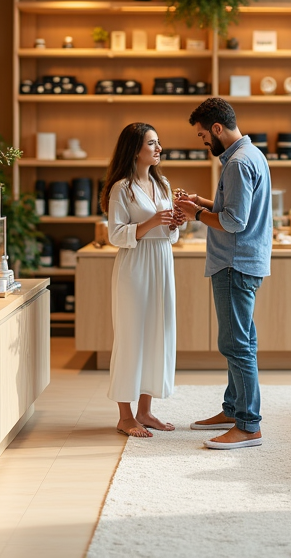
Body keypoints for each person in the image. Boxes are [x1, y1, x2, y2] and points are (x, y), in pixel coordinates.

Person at [176, 98, 272, 450]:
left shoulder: (237, 164)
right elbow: (233, 209)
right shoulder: (250, 155)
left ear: (217, 128)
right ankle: (233, 410)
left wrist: (196, 216)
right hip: (243, 262)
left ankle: (248, 425)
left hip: (235, 264)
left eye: (204, 136)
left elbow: (233, 222)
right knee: (242, 341)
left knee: (236, 345)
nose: (204, 143)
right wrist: (201, 202)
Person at [102, 122, 185, 438]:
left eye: (158, 142)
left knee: (158, 333)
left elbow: (170, 235)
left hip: (162, 261)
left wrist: (174, 224)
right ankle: (125, 417)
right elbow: (115, 234)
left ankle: (146, 411)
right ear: (135, 149)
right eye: (152, 143)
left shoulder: (162, 183)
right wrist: (151, 222)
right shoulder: (121, 189)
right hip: (134, 266)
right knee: (132, 334)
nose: (159, 148)